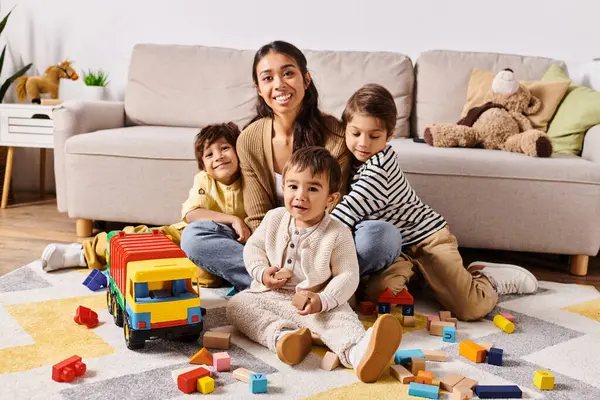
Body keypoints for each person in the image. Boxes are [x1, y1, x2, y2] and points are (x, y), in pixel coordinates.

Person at [181, 40, 401, 290]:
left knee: (383, 237)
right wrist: (269, 263)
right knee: (195, 237)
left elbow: (334, 209)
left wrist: (307, 259)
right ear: (259, 89)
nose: (279, 84)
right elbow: (257, 217)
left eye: (288, 73)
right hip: (272, 245)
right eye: (268, 78)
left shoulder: (336, 136)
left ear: (306, 80)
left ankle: (307, 285)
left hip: (324, 247)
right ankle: (300, 286)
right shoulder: (250, 139)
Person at [331, 83, 539, 321]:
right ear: (345, 129)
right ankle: (431, 280)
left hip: (428, 239)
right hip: (399, 250)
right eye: (356, 133)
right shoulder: (352, 160)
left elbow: (343, 215)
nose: (363, 143)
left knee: (470, 308)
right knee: (379, 294)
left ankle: (487, 278)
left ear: (389, 136)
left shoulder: (379, 171)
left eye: (374, 136)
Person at [226, 146, 402, 383]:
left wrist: (324, 299)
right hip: (270, 294)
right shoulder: (274, 218)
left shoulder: (338, 233)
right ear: (283, 187)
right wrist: (261, 272)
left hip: (317, 302)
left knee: (340, 320)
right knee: (238, 304)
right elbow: (254, 248)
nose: (300, 195)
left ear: (331, 199)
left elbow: (348, 275)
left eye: (312, 188)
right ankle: (283, 337)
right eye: (293, 186)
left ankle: (359, 353)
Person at [41, 122, 246, 289]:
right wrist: (232, 219)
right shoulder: (205, 180)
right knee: (137, 239)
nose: (218, 156)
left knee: (207, 278)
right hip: (183, 236)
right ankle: (85, 253)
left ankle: (126, 267)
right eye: (209, 154)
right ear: (203, 165)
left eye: (225, 148)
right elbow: (193, 215)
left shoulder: (250, 180)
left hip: (223, 249)